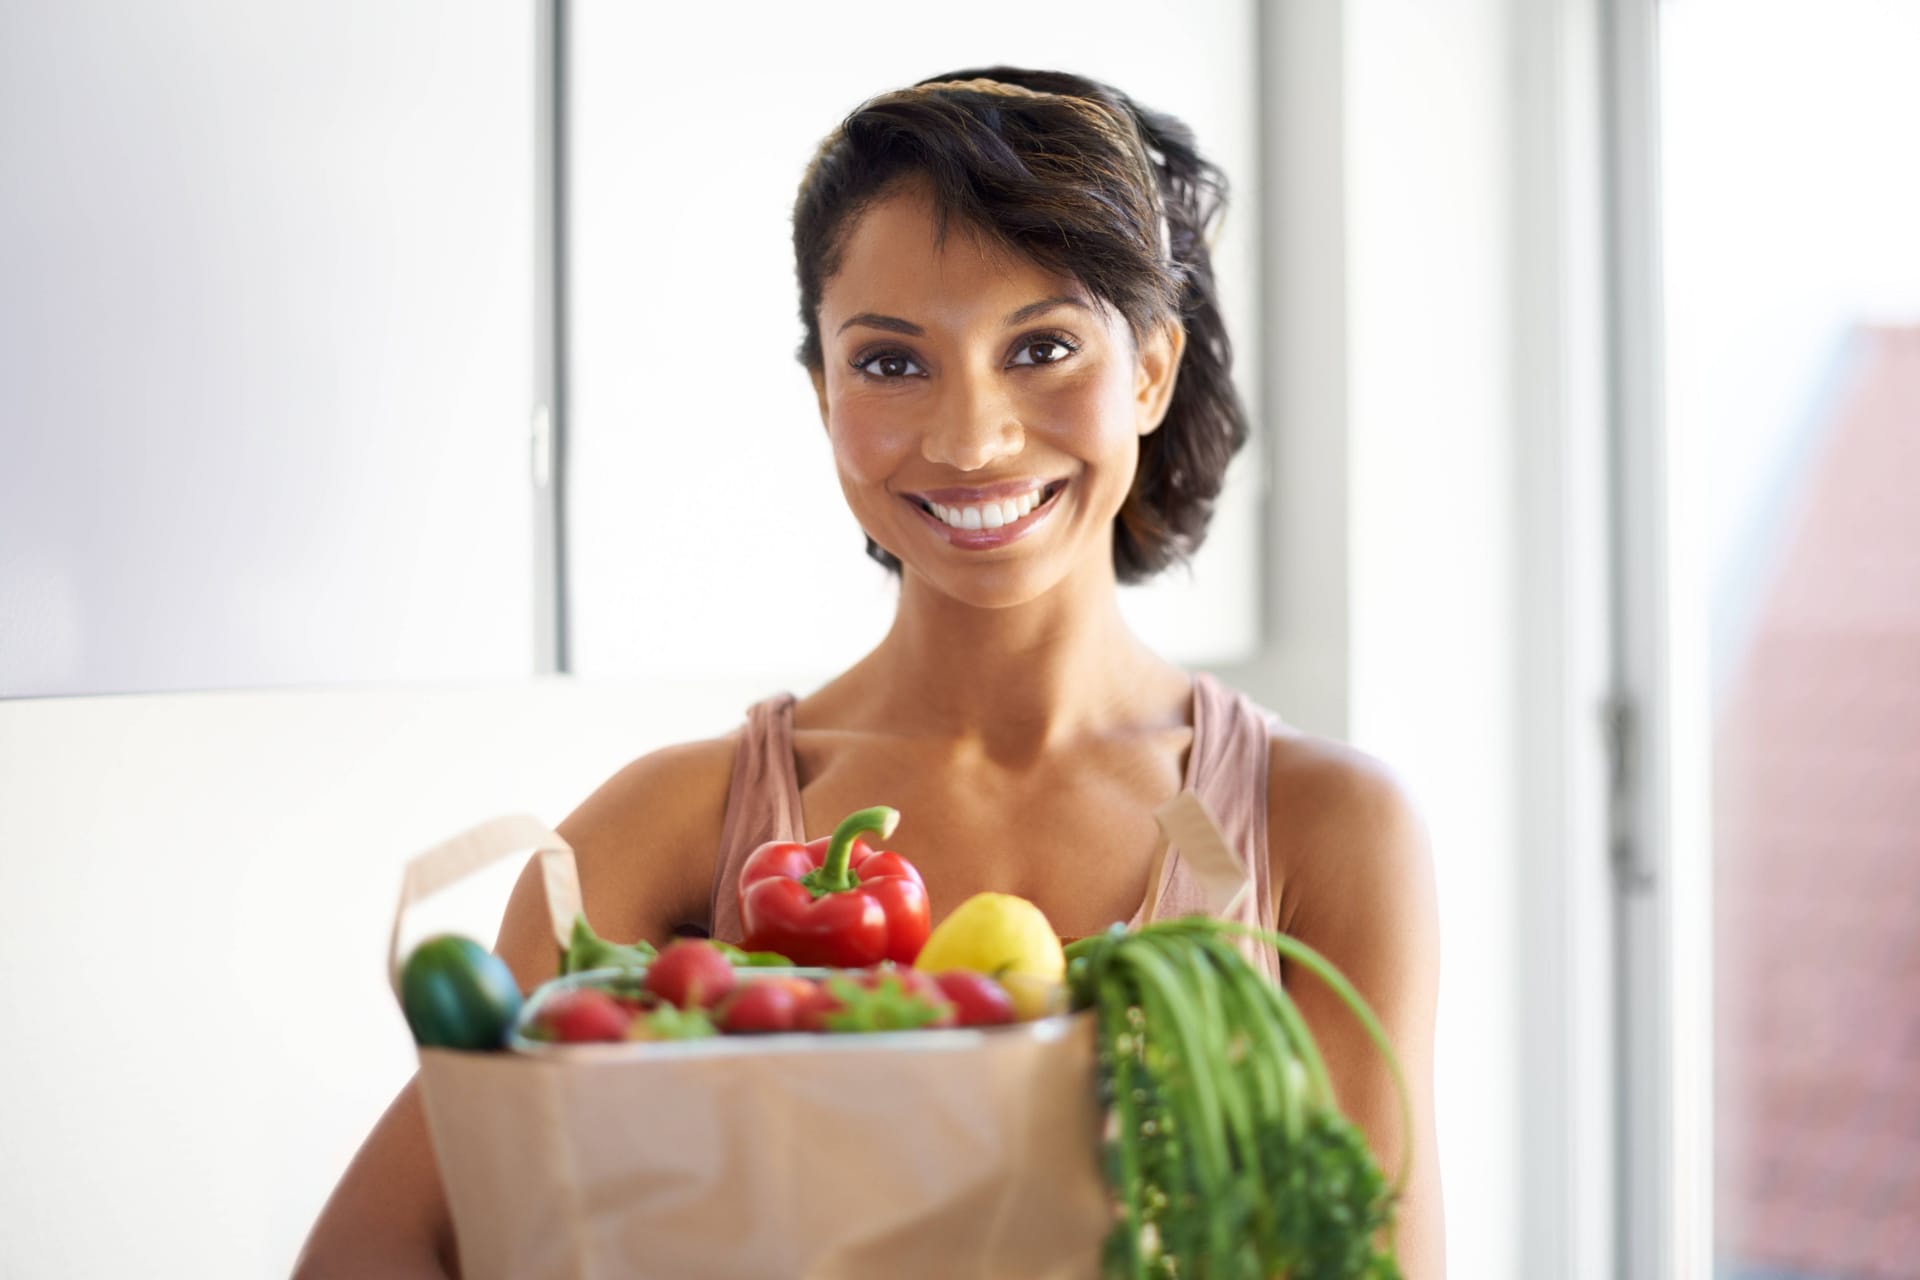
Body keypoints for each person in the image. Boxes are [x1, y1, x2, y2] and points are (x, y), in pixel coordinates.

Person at [296, 66, 1443, 1277]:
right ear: (824, 391)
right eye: (893, 363)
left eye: (1043, 345)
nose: (971, 435)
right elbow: (383, 1245)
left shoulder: (1322, 830)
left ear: (1150, 370)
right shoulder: (669, 832)